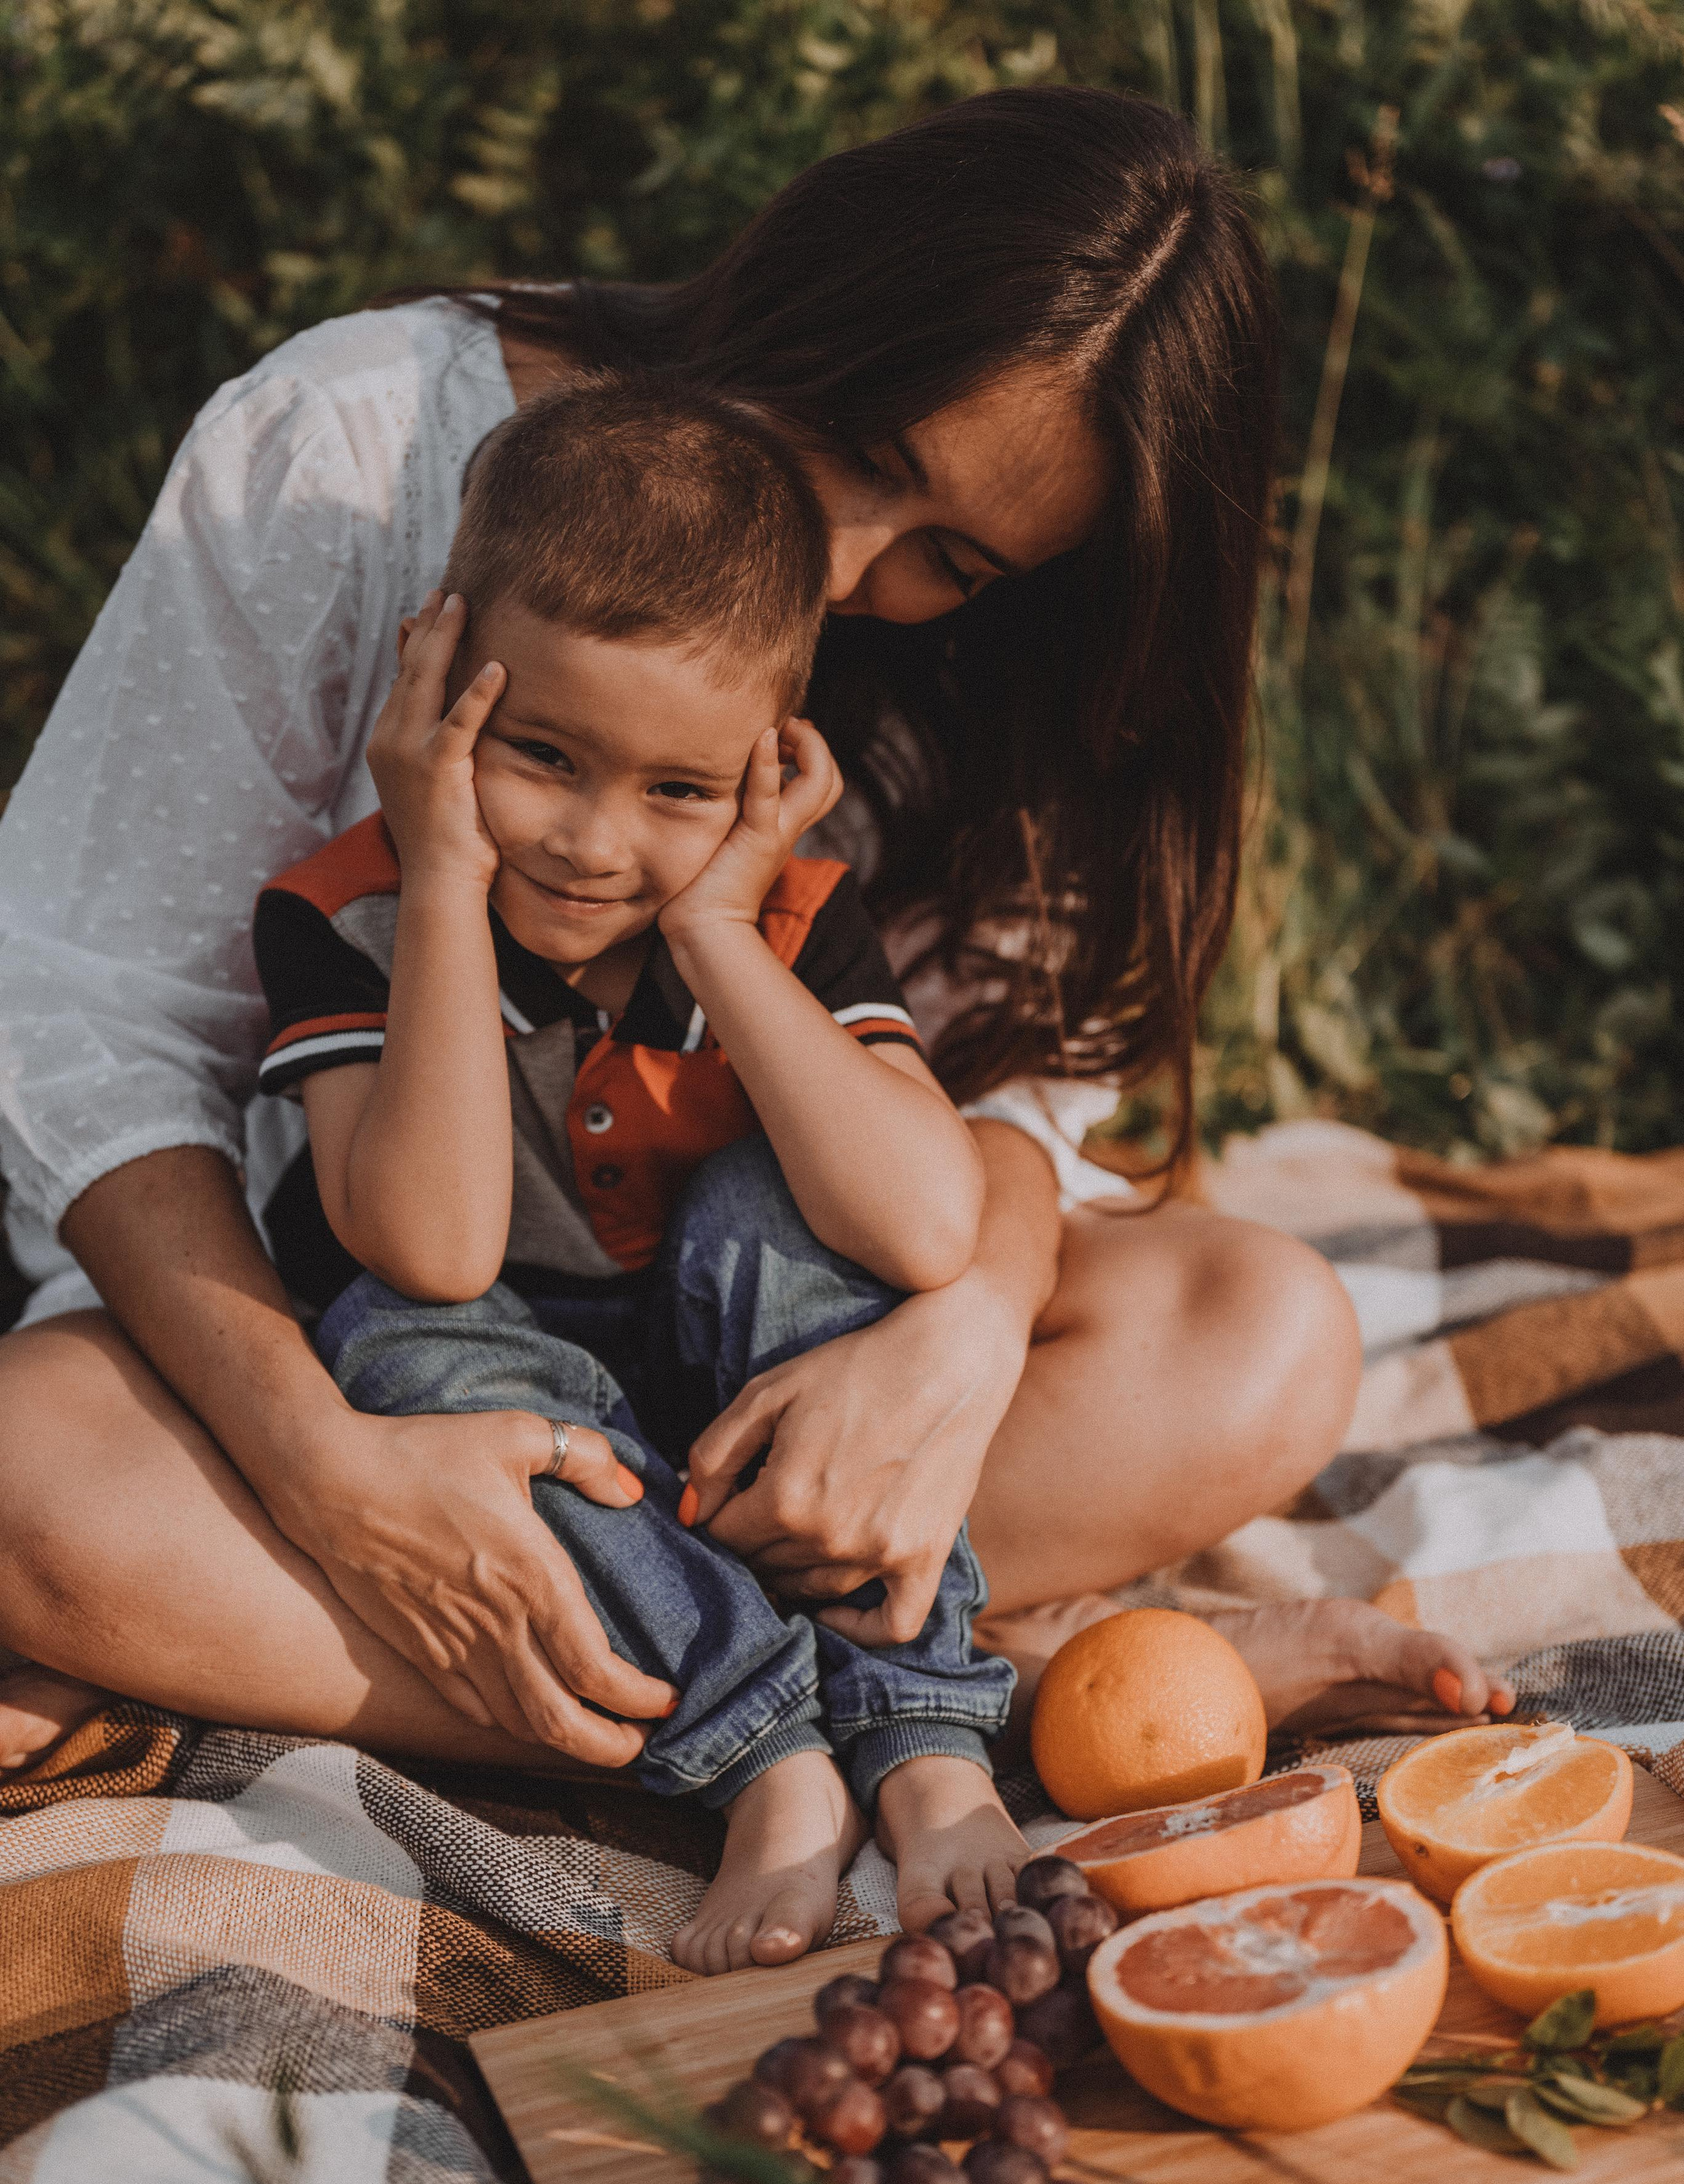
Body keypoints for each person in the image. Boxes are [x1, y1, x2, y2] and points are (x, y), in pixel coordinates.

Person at [0, 89, 1508, 1874]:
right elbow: (89, 1012)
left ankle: (629, 1675)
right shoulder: (350, 446)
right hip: (375, 1369)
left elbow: (1001, 1094)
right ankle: (943, 1695)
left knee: (1261, 1335)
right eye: (859, 441)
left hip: (760, 1375)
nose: (859, 567)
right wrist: (327, 1464)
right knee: (28, 1467)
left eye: (954, 556)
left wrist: (958, 1343)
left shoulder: (979, 679)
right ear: (809, 295)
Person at [256, 375, 1021, 1967]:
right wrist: (446, 866)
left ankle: (923, 1727)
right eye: (541, 752)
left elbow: (931, 1226)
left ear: (766, 769)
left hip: (731, 1405)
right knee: (395, 1337)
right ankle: (771, 1756)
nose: (597, 844)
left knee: (785, 1212)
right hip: (519, 1425)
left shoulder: (784, 914)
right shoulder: (347, 916)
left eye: (677, 789)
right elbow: (437, 1243)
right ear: (439, 680)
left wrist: (718, 929)